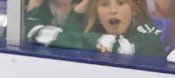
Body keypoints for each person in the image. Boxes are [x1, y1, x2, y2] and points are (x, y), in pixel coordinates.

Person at [27, 0, 165, 55]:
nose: (112, 10)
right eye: (104, 4)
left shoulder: (148, 33)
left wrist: (94, 41)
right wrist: (79, 11)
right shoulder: (97, 31)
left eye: (121, 3)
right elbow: (34, 32)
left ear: (135, 9)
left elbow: (125, 47)